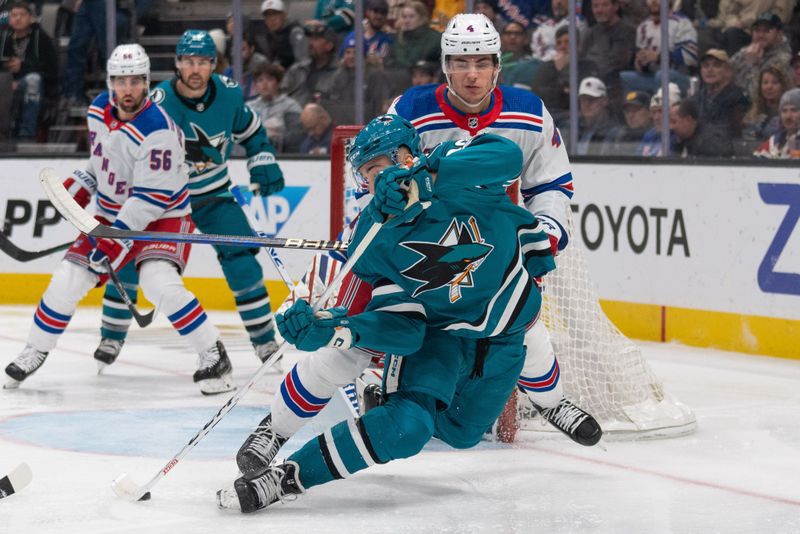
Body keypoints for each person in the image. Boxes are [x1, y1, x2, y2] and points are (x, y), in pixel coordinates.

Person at [216, 114, 559, 513]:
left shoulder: (453, 165)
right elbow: (405, 327)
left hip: (505, 329)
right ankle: (287, 477)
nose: (374, 182)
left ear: (408, 154)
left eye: (379, 167)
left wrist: (427, 178)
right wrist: (335, 330)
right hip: (440, 334)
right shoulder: (375, 233)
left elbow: (507, 156)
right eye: (366, 175)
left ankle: (390, 394)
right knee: (407, 427)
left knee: (465, 432)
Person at [3, 44, 234, 395]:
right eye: (121, 81)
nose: (128, 89)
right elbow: (102, 162)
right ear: (110, 82)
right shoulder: (98, 110)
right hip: (113, 213)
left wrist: (112, 240)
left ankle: (212, 353)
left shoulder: (157, 129)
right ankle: (36, 347)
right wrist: (81, 185)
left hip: (165, 216)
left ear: (146, 83)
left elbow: (148, 201)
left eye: (136, 81)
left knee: (158, 282)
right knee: (68, 277)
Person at [93, 30, 286, 369]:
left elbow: (252, 131)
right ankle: (111, 334)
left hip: (214, 195)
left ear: (214, 64)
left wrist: (263, 160)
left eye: (203, 62)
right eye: (188, 62)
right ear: (177, 64)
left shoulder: (229, 95)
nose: (195, 69)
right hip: (164, 201)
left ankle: (265, 342)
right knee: (127, 256)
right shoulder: (155, 102)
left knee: (242, 260)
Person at [0, 1, 57, 141]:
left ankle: (27, 134)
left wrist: (23, 66)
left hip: (34, 85)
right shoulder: (3, 37)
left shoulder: (41, 38)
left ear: (31, 18)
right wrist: (8, 81)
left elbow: (51, 71)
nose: (18, 18)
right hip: (5, 83)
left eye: (22, 15)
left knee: (32, 80)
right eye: (14, 15)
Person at [247, 62, 303, 153]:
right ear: (256, 86)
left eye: (269, 80)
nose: (264, 84)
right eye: (260, 80)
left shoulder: (290, 106)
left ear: (278, 83)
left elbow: (296, 138)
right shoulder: (249, 108)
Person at [255, 0, 307, 71]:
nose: (272, 19)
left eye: (275, 14)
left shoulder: (295, 31)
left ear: (284, 15)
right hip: (277, 76)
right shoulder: (269, 35)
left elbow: (303, 62)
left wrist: (285, 69)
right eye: (267, 16)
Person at [754, 87, 800, 158]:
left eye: (794, 110)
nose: (788, 116)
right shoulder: (775, 141)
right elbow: (755, 161)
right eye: (784, 111)